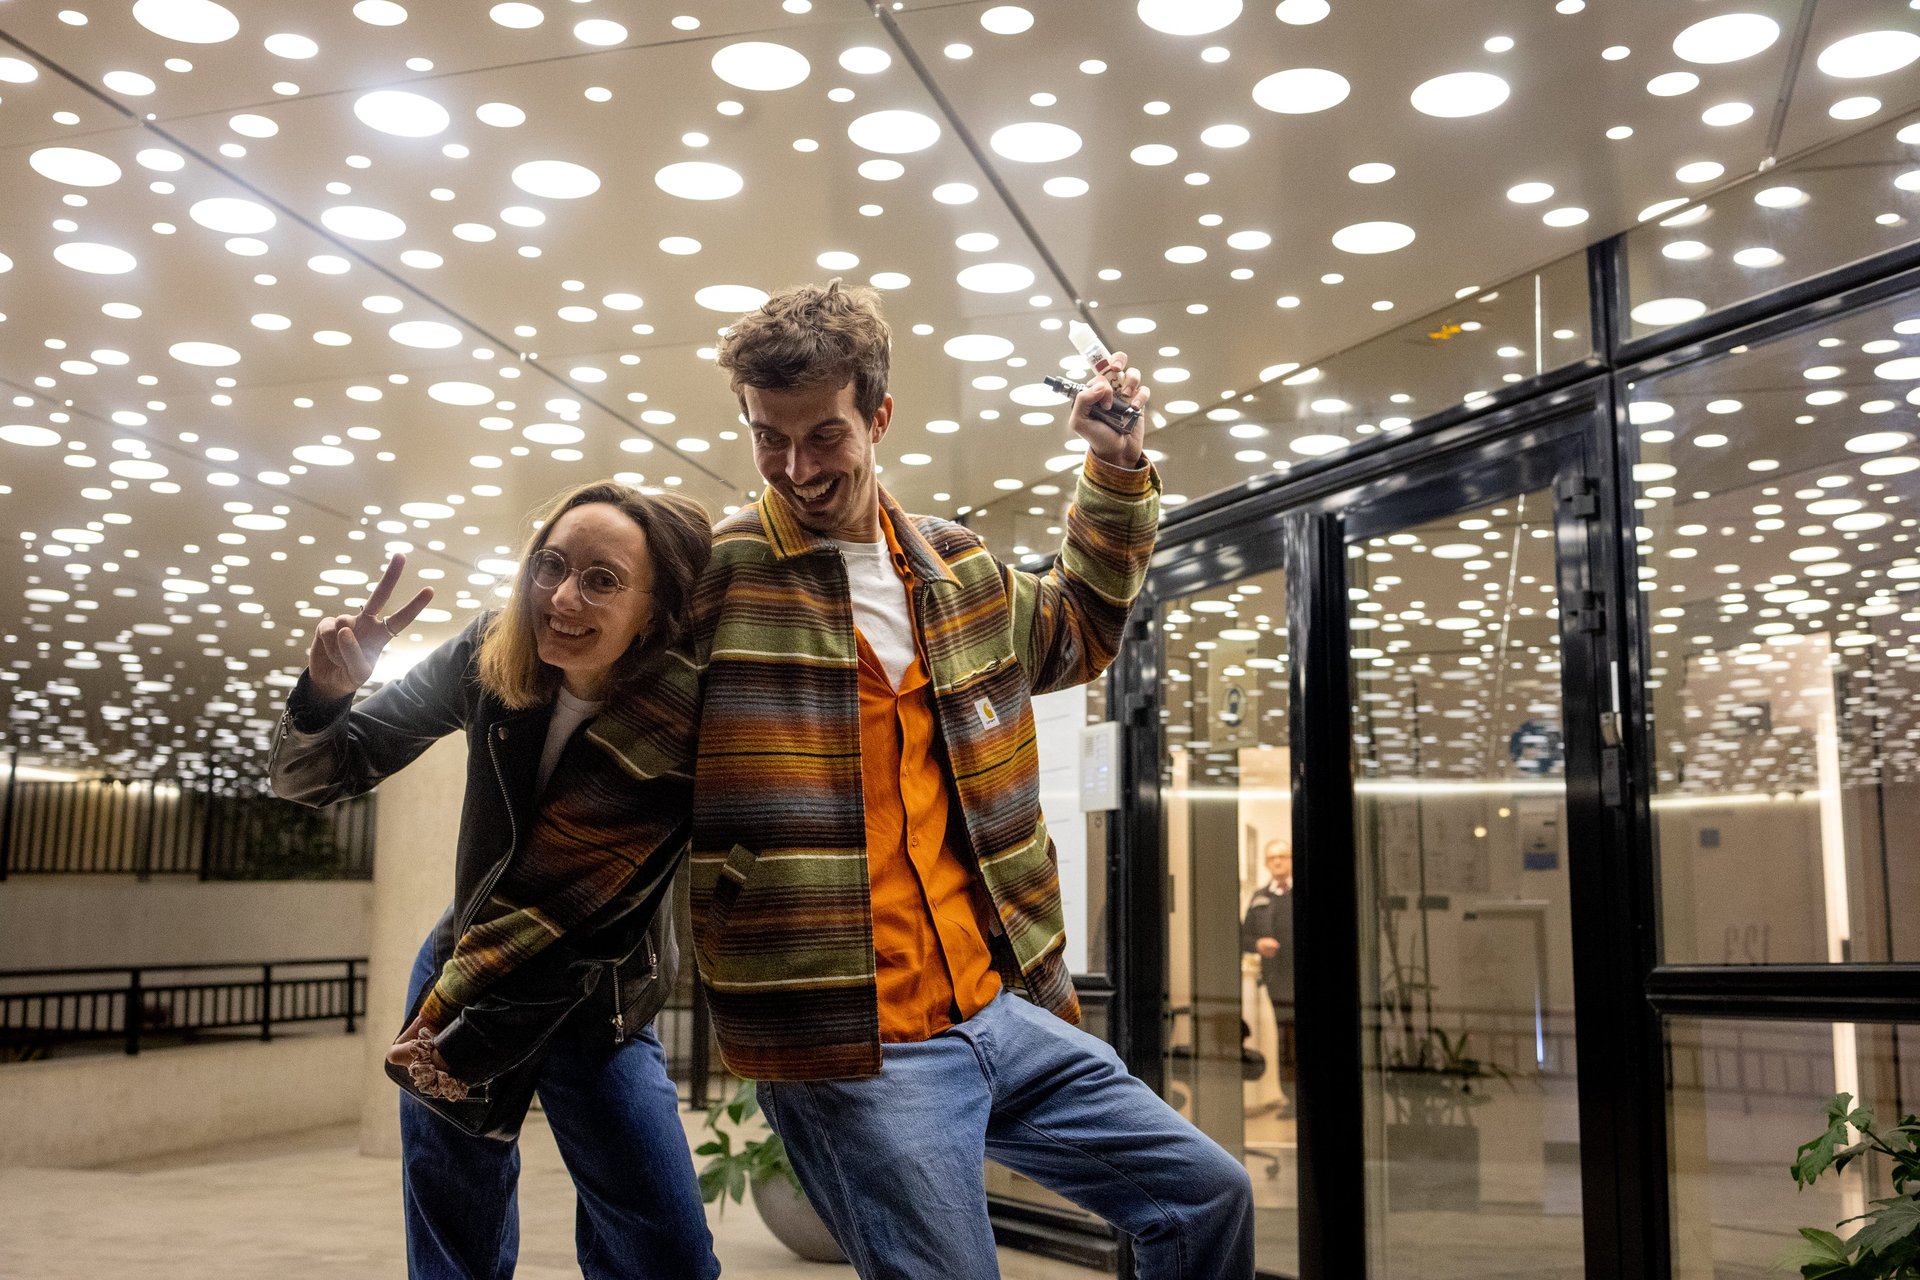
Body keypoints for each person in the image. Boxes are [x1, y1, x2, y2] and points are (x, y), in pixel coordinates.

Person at [690, 281, 1255, 1279]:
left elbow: (1080, 624)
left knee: (1207, 1194)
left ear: (879, 415)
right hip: (853, 1040)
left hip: (1002, 1007)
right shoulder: (717, 578)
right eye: (766, 437)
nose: (793, 466)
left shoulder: (959, 571)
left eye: (823, 435)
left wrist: (1115, 462)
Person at [269, 481, 720, 1280]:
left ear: (655, 608)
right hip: (464, 977)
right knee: (454, 1250)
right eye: (550, 565)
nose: (562, 597)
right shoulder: (490, 655)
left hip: (598, 1002)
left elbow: (622, 912)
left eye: (603, 579)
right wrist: (327, 698)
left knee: (668, 1257)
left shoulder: (688, 715)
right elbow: (316, 776)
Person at [1240, 839, 1297, 1116]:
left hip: (1304, 979)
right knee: (1286, 1039)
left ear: (1291, 859)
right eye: (1272, 857)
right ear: (1265, 863)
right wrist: (1258, 945)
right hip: (1277, 981)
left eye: (1282, 856)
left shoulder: (1301, 892)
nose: (1277, 861)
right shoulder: (1260, 897)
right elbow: (1243, 935)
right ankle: (1291, 1099)